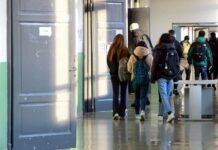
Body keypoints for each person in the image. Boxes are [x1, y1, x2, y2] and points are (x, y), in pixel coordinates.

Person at [151, 33, 180, 123]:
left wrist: (153, 77)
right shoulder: (174, 50)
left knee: (163, 95)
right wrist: (175, 76)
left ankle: (170, 113)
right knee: (166, 96)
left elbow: (154, 64)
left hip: (161, 76)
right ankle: (160, 115)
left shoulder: (158, 49)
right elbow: (176, 63)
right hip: (170, 76)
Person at [127, 41, 153, 121]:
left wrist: (134, 73)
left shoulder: (132, 56)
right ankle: (142, 111)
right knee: (143, 96)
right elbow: (152, 68)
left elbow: (129, 69)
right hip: (145, 79)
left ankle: (137, 114)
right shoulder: (149, 56)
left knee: (137, 96)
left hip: (135, 79)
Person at [129, 22, 153, 107]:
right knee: (144, 81)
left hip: (139, 61)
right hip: (147, 60)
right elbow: (150, 48)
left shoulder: (136, 38)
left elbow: (136, 51)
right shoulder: (145, 36)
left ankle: (139, 101)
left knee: (137, 81)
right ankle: (145, 99)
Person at [107, 34, 129, 120]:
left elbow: (108, 61)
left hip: (114, 75)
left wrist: (112, 70)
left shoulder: (111, 50)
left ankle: (115, 112)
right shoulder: (125, 50)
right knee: (123, 93)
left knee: (115, 94)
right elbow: (130, 60)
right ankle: (122, 113)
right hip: (123, 74)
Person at [168, 29, 182, 95]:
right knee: (176, 76)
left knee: (168, 76)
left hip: (167, 63)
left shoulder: (165, 42)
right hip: (175, 62)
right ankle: (175, 90)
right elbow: (180, 52)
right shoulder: (176, 42)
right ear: (174, 34)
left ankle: (170, 91)